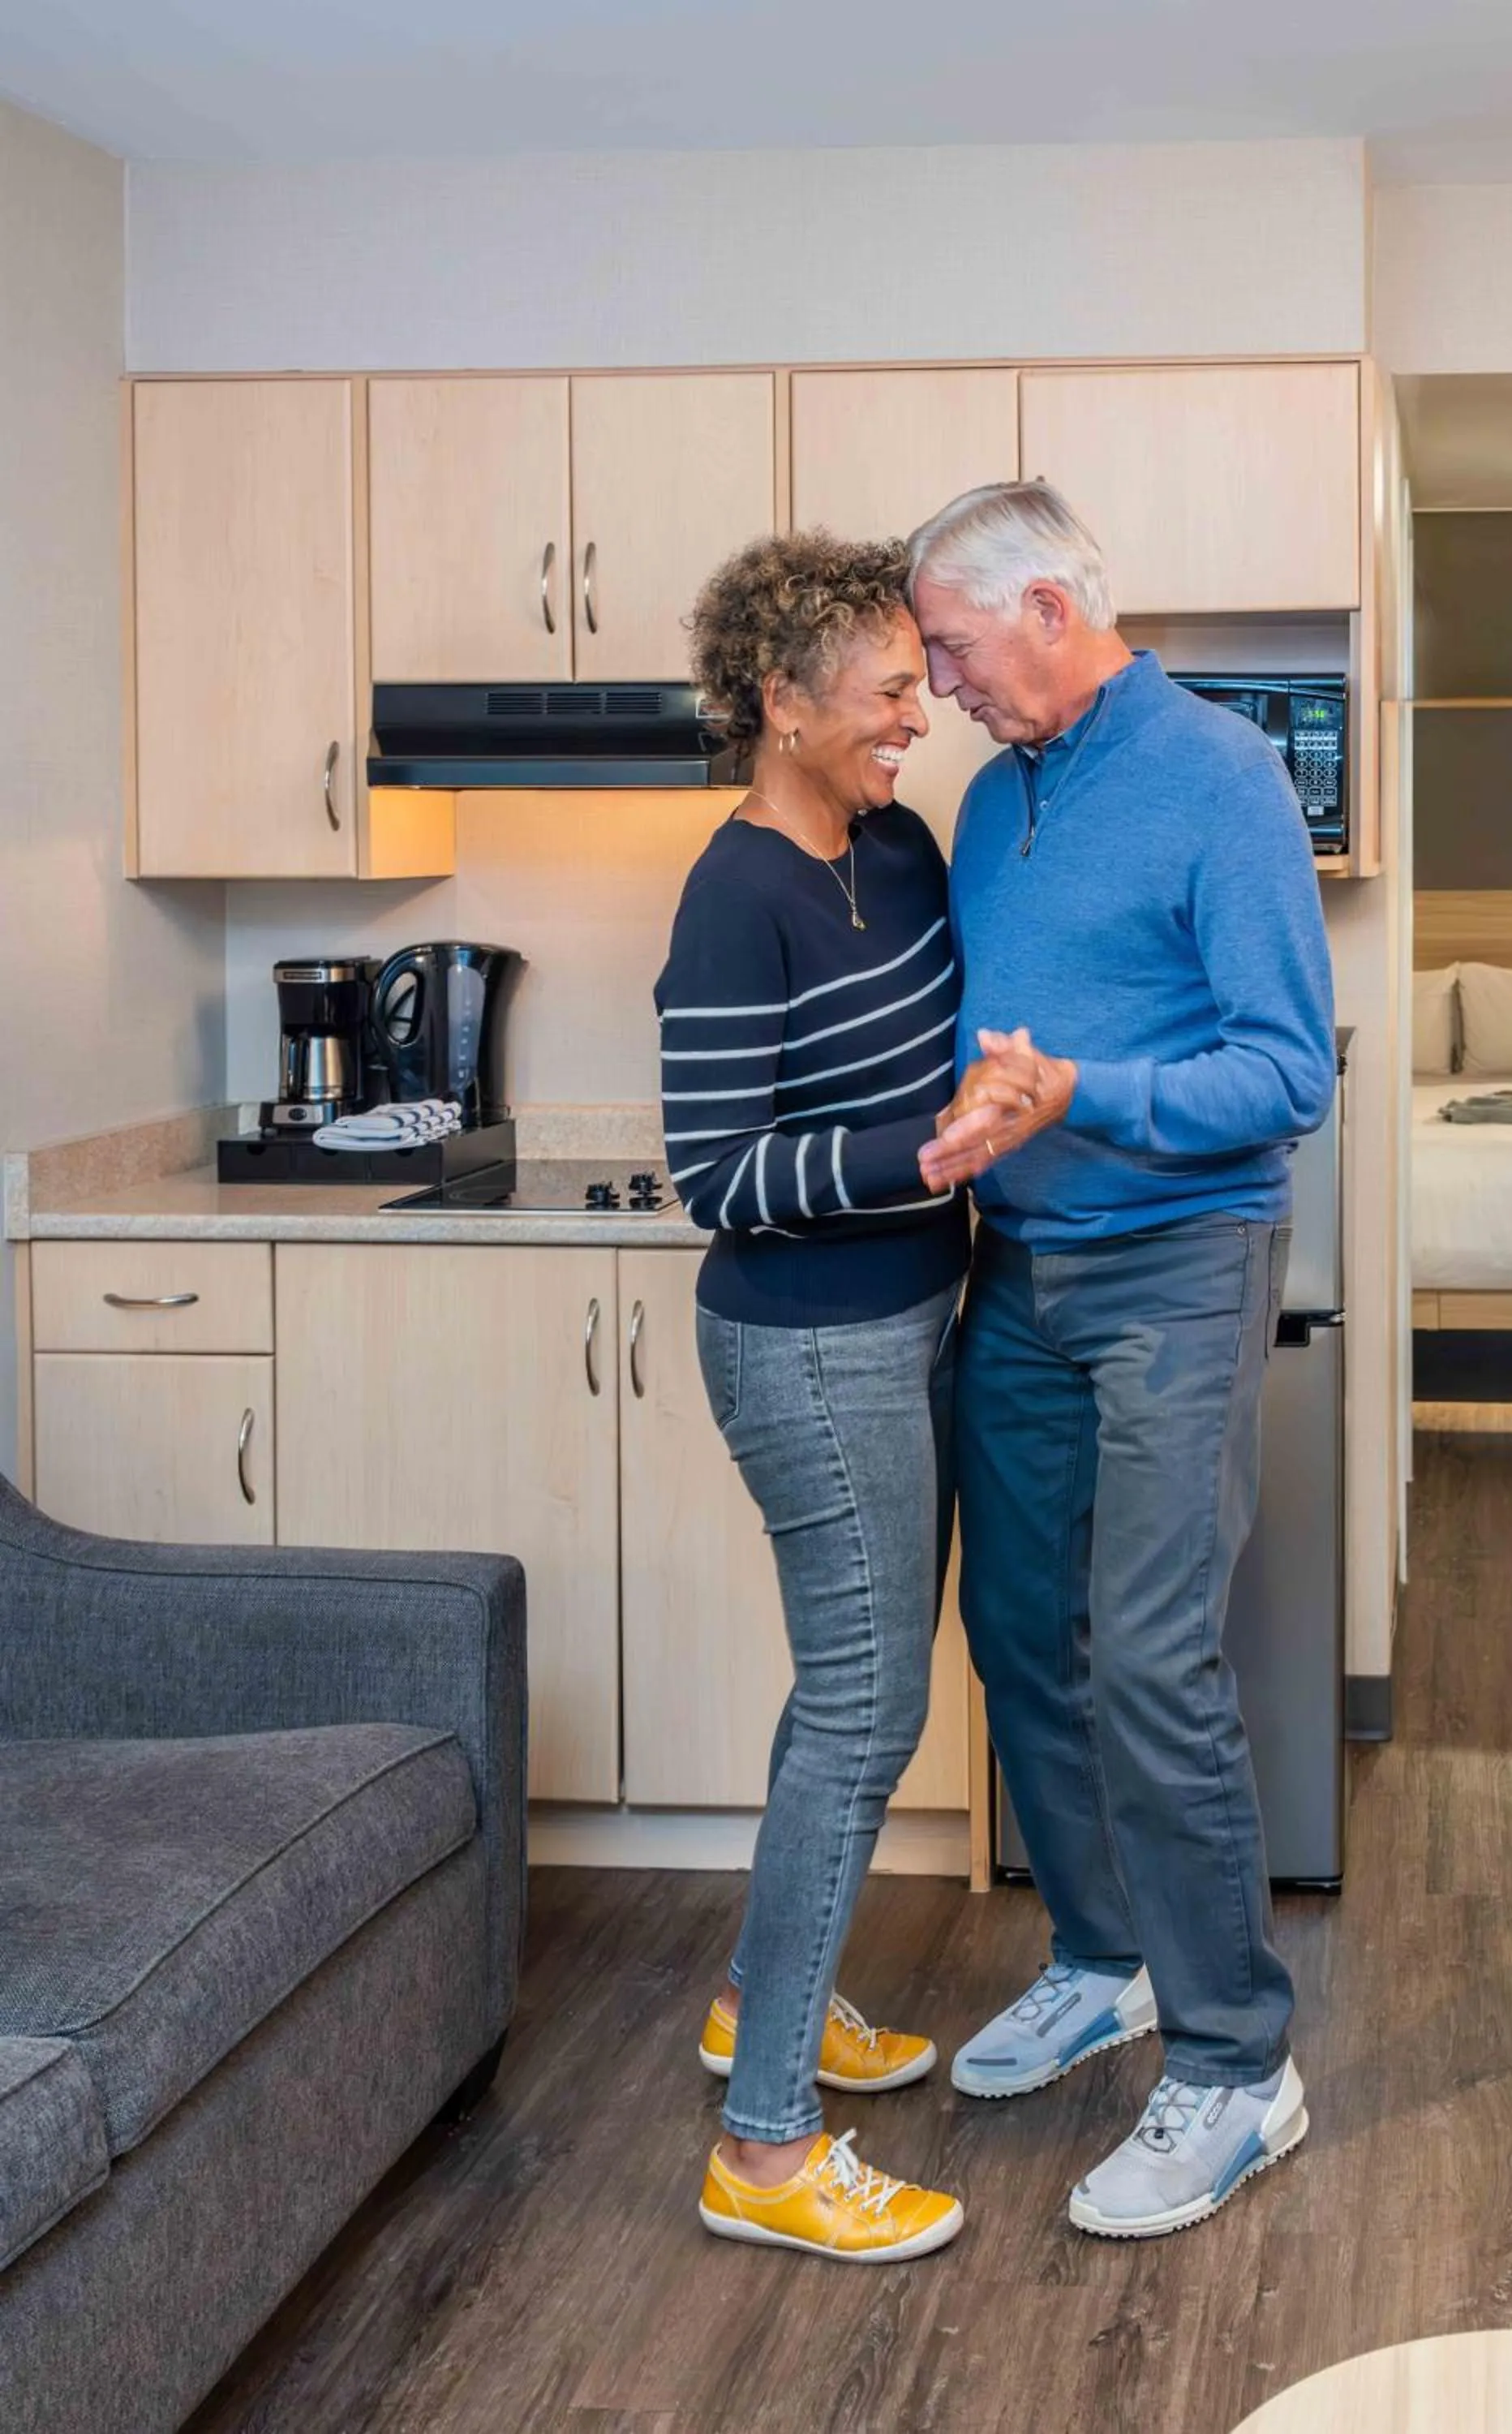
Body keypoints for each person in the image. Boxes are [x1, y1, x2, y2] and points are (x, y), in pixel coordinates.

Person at [907, 479, 1337, 2241]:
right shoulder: (988, 799)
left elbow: (1284, 1072)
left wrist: (1090, 1095)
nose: (937, 683)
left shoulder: (1220, 779)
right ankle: (1104, 1961)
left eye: (949, 645)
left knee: (1154, 1654)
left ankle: (1239, 2062)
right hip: (1020, 1267)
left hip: (1176, 1267)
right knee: (1016, 1631)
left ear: (1047, 610)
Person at [655, 531, 972, 2264]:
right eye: (886, 689)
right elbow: (715, 1171)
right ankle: (764, 2148)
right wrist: (923, 1150)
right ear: (777, 703)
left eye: (922, 682)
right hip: (803, 1342)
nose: (915, 716)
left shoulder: (899, 848)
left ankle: (759, 2000)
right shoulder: (735, 894)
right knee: (864, 1718)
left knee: (842, 1701)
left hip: (918, 1316)